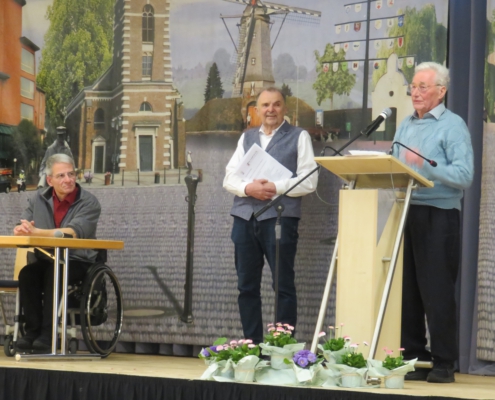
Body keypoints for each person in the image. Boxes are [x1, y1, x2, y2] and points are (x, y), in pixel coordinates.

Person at [391, 62, 474, 383]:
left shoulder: (453, 126)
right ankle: (414, 356)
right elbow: (396, 165)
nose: (415, 92)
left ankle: (443, 362)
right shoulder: (405, 125)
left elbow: (464, 175)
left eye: (423, 87)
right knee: (408, 292)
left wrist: (426, 166)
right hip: (405, 212)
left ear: (441, 91)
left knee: (437, 291)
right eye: (413, 86)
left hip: (439, 215)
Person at [223, 87, 318, 344]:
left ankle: (281, 347)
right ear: (257, 110)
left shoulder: (299, 136)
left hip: (279, 219)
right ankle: (252, 345)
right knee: (246, 287)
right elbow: (229, 178)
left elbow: (309, 181)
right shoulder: (247, 138)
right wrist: (248, 188)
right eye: (265, 105)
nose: (271, 110)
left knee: (282, 286)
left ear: (285, 108)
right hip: (244, 219)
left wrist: (276, 187)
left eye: (276, 104)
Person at [14, 153, 101, 352]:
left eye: (71, 174)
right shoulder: (38, 198)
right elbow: (23, 223)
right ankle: (31, 332)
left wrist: (36, 232)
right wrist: (21, 229)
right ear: (49, 180)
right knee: (27, 274)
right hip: (48, 258)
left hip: (78, 260)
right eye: (61, 176)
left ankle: (48, 335)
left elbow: (73, 233)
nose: (68, 179)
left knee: (55, 273)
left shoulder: (89, 202)